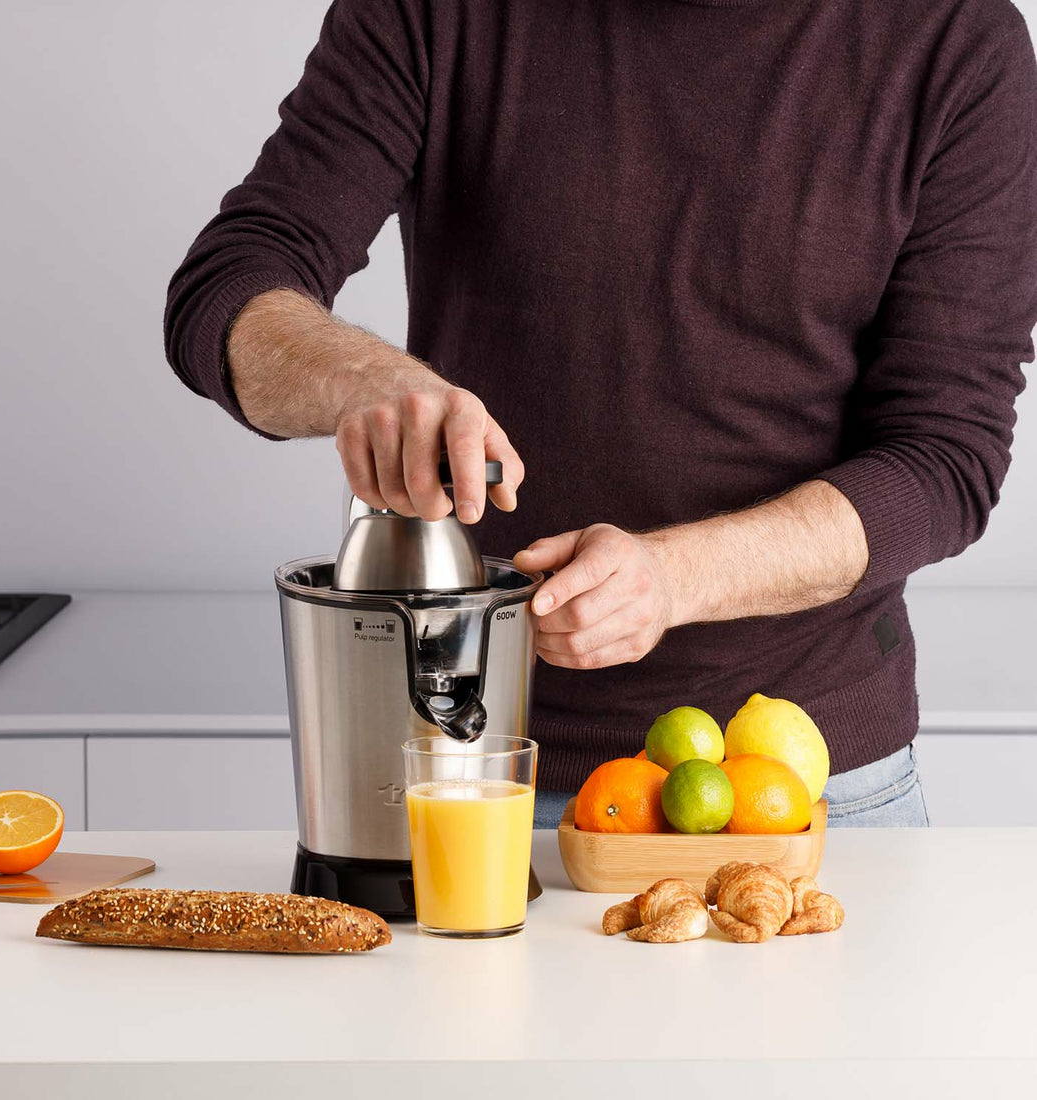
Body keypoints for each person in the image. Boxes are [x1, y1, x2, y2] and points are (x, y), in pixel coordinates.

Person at [165, 0, 1037, 828]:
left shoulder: (956, 40)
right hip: (470, 772)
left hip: (802, 788)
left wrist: (674, 578)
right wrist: (363, 380)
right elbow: (231, 283)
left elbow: (945, 457)